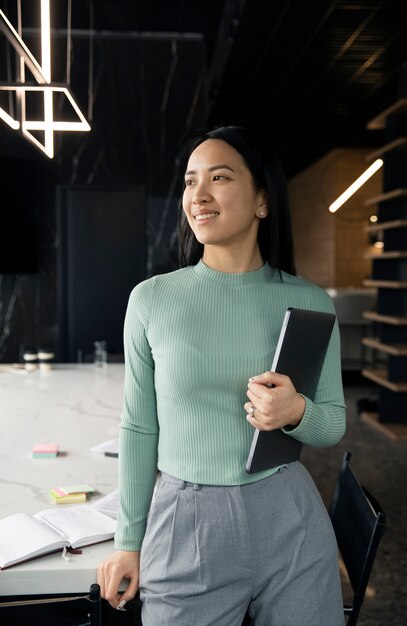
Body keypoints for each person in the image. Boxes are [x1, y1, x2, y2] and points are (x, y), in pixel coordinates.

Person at [97, 125, 346, 625]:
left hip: (288, 516)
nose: (199, 195)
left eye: (219, 177)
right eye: (190, 181)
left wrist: (296, 412)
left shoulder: (309, 301)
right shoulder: (151, 300)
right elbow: (139, 427)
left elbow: (333, 423)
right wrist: (129, 541)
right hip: (186, 521)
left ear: (262, 201)